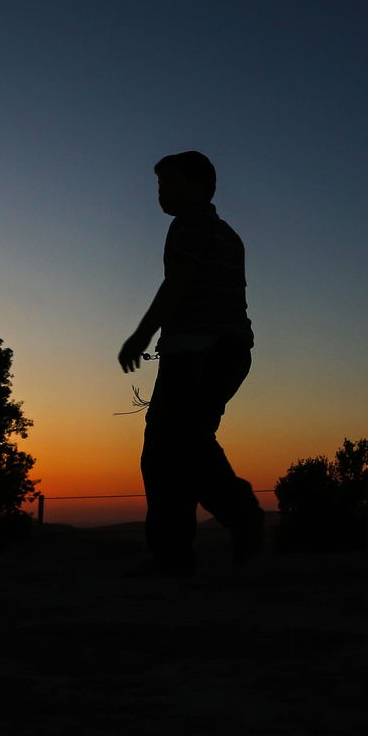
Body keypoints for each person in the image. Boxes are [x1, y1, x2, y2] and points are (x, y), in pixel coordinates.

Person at [118, 151, 263, 576]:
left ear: (200, 186)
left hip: (200, 352)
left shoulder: (189, 225)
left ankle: (205, 535)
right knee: (184, 443)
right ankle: (182, 549)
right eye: (160, 185)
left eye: (170, 183)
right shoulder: (226, 233)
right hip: (227, 351)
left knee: (169, 449)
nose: (161, 193)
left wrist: (141, 335)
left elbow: (177, 282)